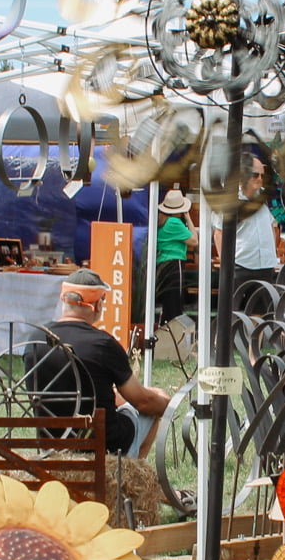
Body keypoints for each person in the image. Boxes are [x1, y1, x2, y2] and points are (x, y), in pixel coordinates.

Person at [33, 270, 170, 455]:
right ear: (97, 305)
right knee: (151, 409)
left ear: (63, 300)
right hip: (103, 446)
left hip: (51, 444)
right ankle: (133, 473)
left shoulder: (35, 339)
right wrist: (166, 403)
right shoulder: (103, 344)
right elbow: (143, 402)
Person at [231, 149, 283, 315]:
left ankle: (257, 342)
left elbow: (274, 228)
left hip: (266, 266)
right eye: (255, 175)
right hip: (241, 265)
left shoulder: (268, 200)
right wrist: (228, 262)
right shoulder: (233, 201)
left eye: (262, 175)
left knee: (264, 314)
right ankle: (233, 342)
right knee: (236, 312)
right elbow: (219, 233)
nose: (260, 179)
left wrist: (271, 251)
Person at [154, 189, 193, 324]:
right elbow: (194, 240)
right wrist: (188, 217)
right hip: (174, 264)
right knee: (175, 303)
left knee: (169, 303)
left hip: (163, 263)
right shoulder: (174, 223)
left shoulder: (162, 221)